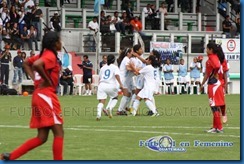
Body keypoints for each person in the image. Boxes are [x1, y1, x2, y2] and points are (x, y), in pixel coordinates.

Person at [0, 31, 64, 160]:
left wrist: (36, 79)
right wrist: (46, 80)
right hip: (46, 96)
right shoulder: (50, 56)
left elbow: (26, 63)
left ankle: (11, 156)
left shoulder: (44, 54)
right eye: (59, 41)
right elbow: (36, 64)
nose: (61, 43)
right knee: (59, 132)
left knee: (42, 137)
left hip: (38, 96)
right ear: (54, 43)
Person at [200, 42, 225, 133]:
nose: (206, 50)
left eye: (207, 49)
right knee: (214, 106)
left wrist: (214, 75)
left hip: (214, 85)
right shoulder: (212, 59)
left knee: (214, 106)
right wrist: (202, 84)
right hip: (214, 84)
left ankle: (219, 127)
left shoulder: (212, 58)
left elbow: (217, 66)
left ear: (211, 49)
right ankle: (216, 127)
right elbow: (207, 74)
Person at [96, 54, 123, 120]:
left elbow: (100, 78)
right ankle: (110, 108)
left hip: (102, 85)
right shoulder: (115, 67)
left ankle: (98, 114)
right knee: (115, 97)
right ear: (114, 60)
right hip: (111, 85)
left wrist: (99, 85)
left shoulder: (103, 67)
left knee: (101, 101)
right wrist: (120, 84)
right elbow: (117, 75)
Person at [116, 47, 134, 115]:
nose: (132, 53)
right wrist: (135, 70)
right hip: (122, 79)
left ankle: (123, 108)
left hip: (125, 79)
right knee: (126, 95)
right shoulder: (126, 59)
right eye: (131, 52)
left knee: (129, 94)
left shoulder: (127, 59)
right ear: (128, 53)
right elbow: (127, 68)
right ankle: (120, 110)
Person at [215, 44, 228, 124]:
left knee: (221, 101)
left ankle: (223, 113)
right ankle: (217, 116)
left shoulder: (223, 61)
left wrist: (225, 84)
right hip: (214, 83)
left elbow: (225, 73)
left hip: (221, 82)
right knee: (215, 102)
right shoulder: (213, 60)